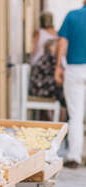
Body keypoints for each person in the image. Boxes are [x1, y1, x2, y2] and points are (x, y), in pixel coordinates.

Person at [55, 2, 86, 168]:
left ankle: (74, 156)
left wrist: (58, 67)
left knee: (75, 116)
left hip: (74, 69)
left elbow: (62, 42)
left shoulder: (72, 16)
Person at [29, 39, 66, 121]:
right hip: (42, 89)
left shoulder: (46, 56)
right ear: (50, 47)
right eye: (57, 46)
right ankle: (61, 123)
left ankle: (57, 122)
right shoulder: (51, 57)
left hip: (38, 88)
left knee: (64, 95)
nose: (59, 48)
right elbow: (59, 75)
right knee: (66, 97)